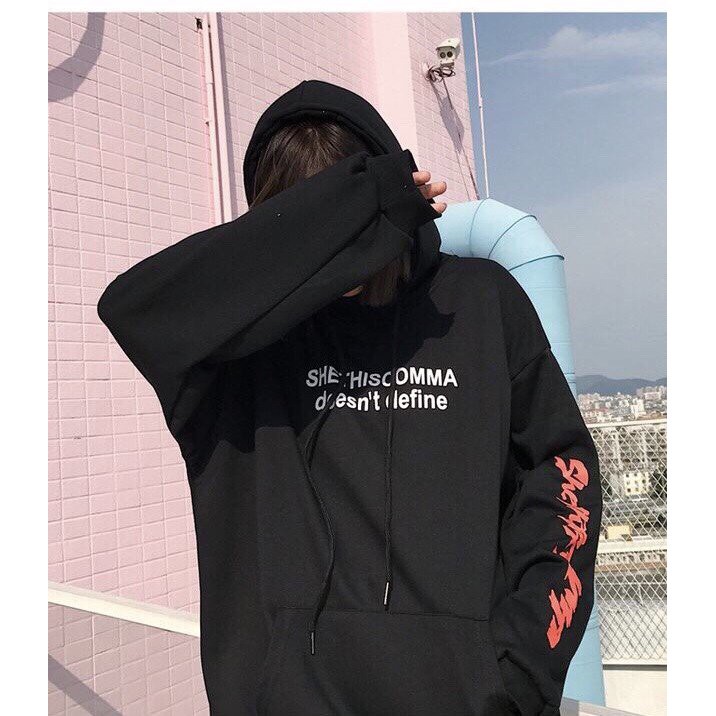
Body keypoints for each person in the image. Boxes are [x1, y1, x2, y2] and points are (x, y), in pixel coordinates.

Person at [98, 80, 603, 716]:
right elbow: (132, 309)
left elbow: (560, 476)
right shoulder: (233, 354)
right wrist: (345, 210)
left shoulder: (479, 304)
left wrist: (520, 676)